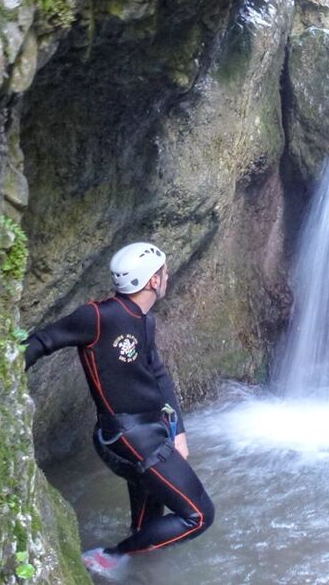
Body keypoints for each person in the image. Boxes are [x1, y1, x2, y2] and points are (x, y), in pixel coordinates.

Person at [24, 242, 214, 576]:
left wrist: (178, 430)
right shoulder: (98, 317)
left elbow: (157, 374)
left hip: (150, 430)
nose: (167, 276)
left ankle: (135, 571)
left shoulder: (145, 320)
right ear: (154, 281)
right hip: (126, 434)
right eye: (164, 272)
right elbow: (41, 342)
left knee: (148, 519)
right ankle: (110, 556)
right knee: (199, 515)